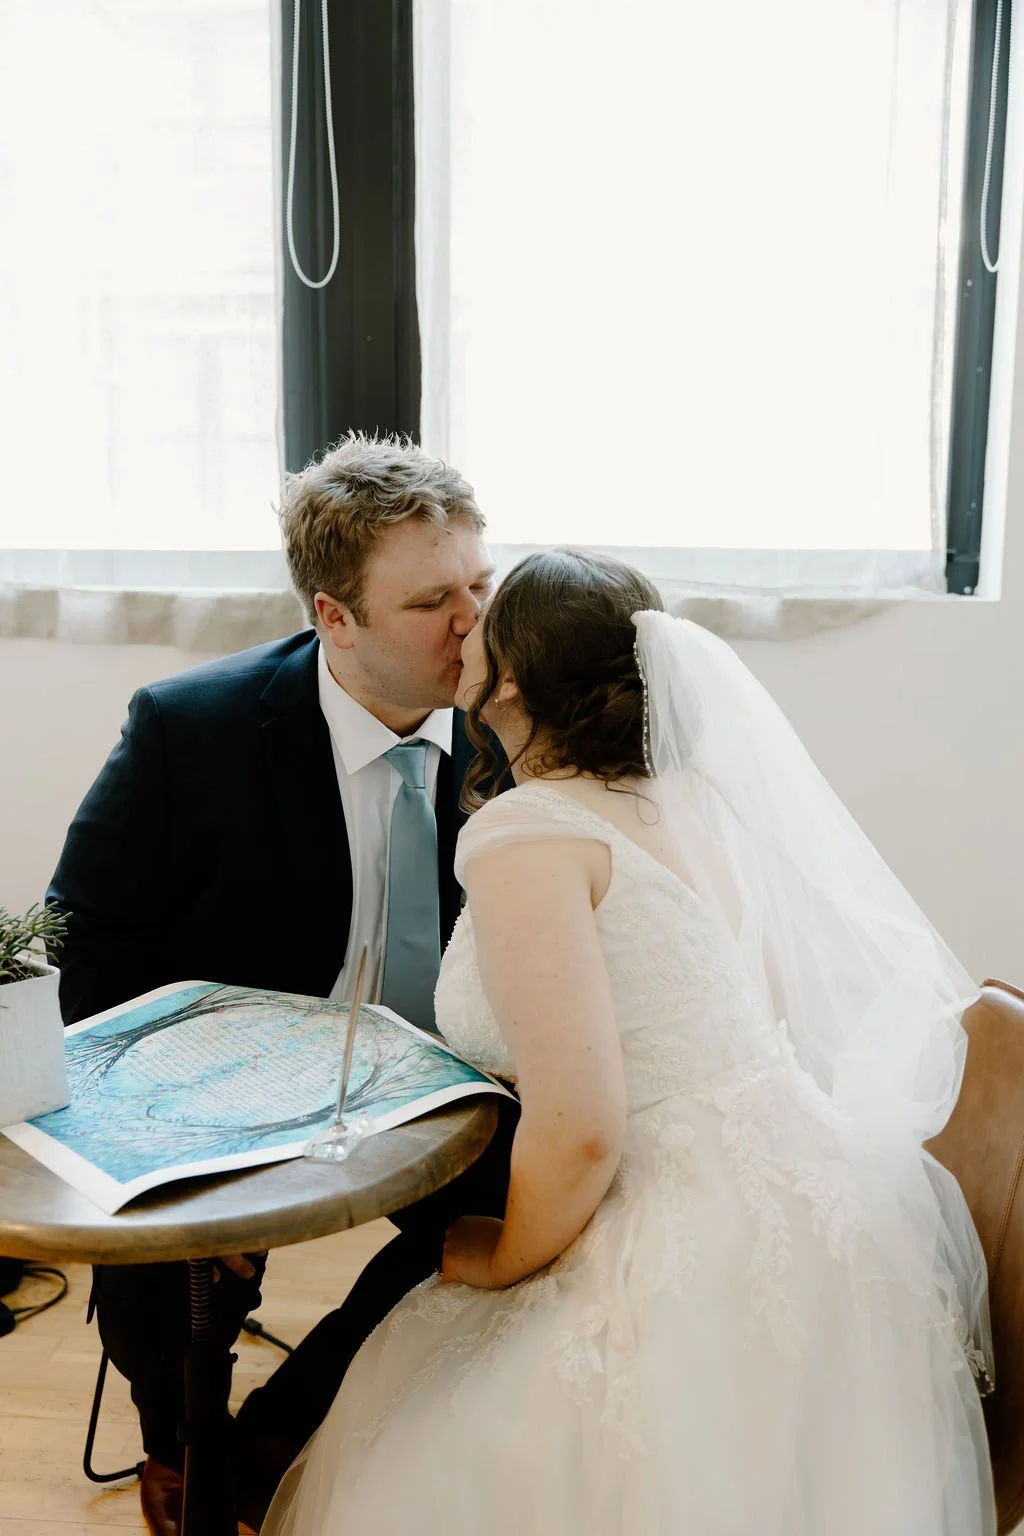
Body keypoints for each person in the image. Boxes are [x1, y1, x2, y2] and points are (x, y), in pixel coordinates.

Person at [262, 547, 996, 1536]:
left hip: (681, 1224)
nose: (463, 622)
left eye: (484, 610)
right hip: (812, 1206)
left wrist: (505, 1258)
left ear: (512, 680)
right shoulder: (682, 800)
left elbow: (585, 1128)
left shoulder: (527, 836)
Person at [46, 433, 516, 1536]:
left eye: (480, 585)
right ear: (333, 616)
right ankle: (176, 1443)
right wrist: (182, 1136)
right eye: (431, 602)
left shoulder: (515, 715)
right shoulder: (190, 731)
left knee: (524, 1215)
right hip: (237, 1082)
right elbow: (92, 940)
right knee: (160, 1262)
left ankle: (270, 1438)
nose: (473, 622)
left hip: (449, 1074)